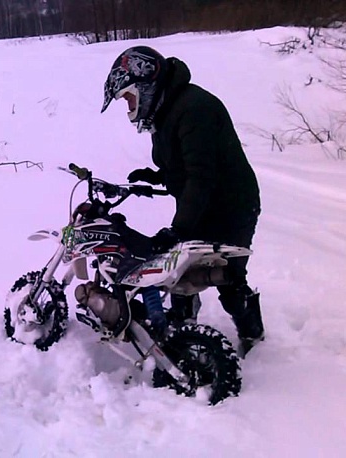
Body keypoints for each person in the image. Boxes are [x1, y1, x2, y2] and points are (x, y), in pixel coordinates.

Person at [100, 46, 264, 356]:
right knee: (179, 275)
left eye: (129, 98)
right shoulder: (165, 111)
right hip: (200, 203)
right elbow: (185, 165)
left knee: (228, 279)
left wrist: (179, 229)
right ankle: (182, 336)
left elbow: (202, 174)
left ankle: (254, 339)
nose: (129, 107)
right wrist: (157, 176)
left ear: (146, 84)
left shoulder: (195, 109)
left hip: (233, 205)